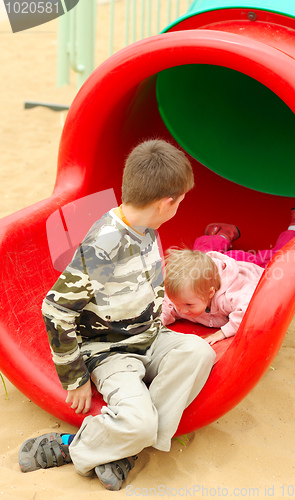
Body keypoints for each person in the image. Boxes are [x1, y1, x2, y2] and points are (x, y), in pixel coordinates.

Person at [18, 139, 215, 491]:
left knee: (199, 352)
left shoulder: (146, 229)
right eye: (181, 201)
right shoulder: (103, 246)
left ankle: (125, 446)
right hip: (111, 351)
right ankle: (73, 446)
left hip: (149, 339)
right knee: (138, 423)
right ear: (165, 203)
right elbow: (56, 308)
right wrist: (74, 376)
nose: (181, 206)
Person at [161, 208, 295, 346]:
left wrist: (223, 332)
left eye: (188, 305)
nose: (181, 309)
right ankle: (223, 233)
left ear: (210, 293)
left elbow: (249, 310)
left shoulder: (230, 296)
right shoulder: (182, 296)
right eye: (177, 303)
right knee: (200, 255)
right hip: (213, 266)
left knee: (280, 260)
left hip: (250, 268)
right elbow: (166, 307)